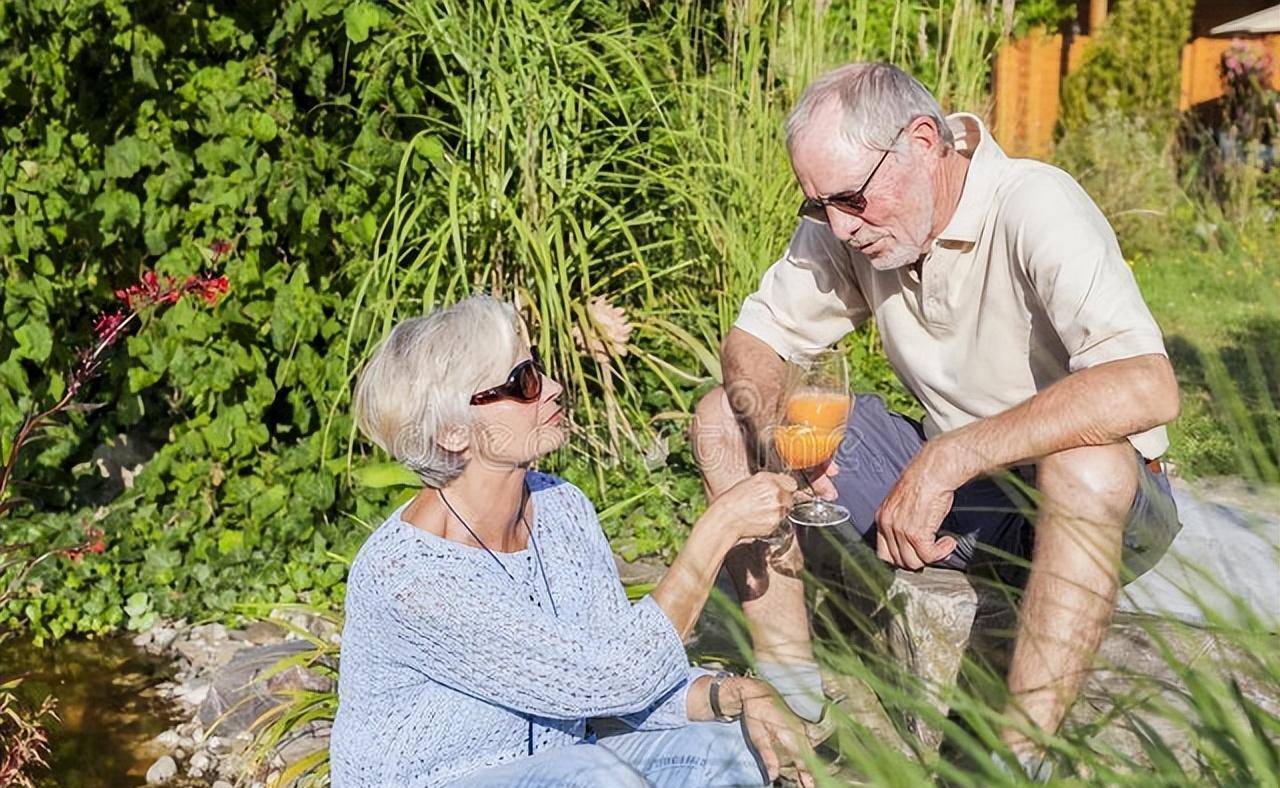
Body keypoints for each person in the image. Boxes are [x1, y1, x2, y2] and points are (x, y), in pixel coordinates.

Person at [691, 62, 1182, 778]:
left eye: (852, 200)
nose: (839, 227)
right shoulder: (852, 220)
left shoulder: (1034, 204)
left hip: (1091, 500)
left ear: (923, 141)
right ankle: (793, 698)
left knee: (1087, 461)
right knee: (722, 418)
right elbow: (755, 343)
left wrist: (950, 459)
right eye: (818, 206)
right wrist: (777, 439)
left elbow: (1148, 385)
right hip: (961, 496)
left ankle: (1015, 763)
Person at [331, 294, 815, 787]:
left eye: (538, 368)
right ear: (454, 433)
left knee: (737, 752)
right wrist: (720, 528)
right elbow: (607, 678)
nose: (554, 388)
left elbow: (624, 677)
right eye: (524, 382)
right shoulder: (410, 578)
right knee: (598, 776)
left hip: (565, 770)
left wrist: (728, 695)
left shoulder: (561, 507)